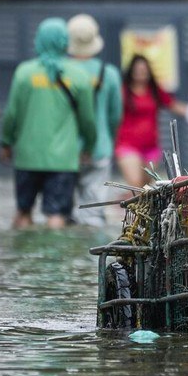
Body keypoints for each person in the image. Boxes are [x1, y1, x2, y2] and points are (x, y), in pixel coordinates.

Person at [1, 17, 97, 229]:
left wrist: (6, 143)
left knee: (23, 211)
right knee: (56, 215)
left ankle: (23, 256)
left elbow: (11, 115)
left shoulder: (24, 73)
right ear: (65, 42)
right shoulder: (80, 76)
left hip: (27, 157)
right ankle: (53, 257)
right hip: (62, 160)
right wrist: (88, 147)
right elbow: (88, 121)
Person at [66, 14, 123, 227]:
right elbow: (115, 115)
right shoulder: (108, 73)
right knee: (93, 213)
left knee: (62, 214)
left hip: (65, 150)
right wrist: (107, 138)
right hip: (100, 148)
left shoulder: (62, 71)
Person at [115, 54, 185, 190]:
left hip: (151, 148)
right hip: (128, 145)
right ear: (131, 71)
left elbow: (174, 105)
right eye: (137, 69)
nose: (141, 73)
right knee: (135, 184)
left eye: (144, 70)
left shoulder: (154, 90)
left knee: (146, 188)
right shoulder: (123, 91)